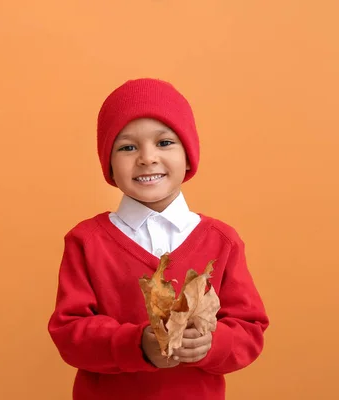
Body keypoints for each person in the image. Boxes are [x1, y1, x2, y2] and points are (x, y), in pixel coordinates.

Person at [47, 78, 269, 400]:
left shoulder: (223, 242)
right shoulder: (86, 242)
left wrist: (212, 343)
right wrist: (136, 345)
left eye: (164, 143)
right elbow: (69, 332)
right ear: (108, 165)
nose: (147, 158)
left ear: (190, 156)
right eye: (127, 147)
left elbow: (250, 329)